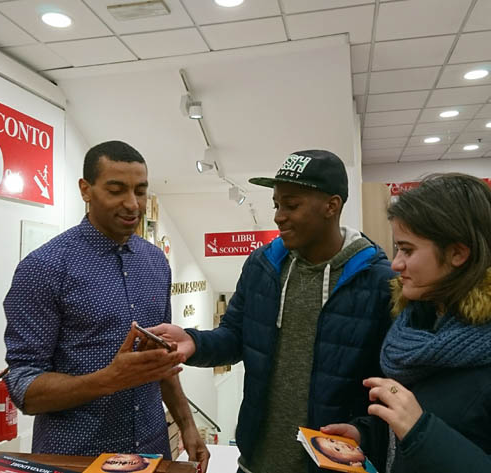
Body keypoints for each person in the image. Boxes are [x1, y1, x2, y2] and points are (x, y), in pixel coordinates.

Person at [319, 173, 491, 473]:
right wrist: (368, 436)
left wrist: (420, 433)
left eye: (407, 250)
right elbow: (449, 417)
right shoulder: (424, 326)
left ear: (457, 253)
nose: (396, 264)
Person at [150, 150, 395, 473]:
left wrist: (365, 432)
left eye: (292, 205)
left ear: (331, 206)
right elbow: (236, 335)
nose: (279, 216)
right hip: (255, 462)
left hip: (332, 464)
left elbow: (390, 383)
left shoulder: (377, 281)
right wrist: (195, 343)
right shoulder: (263, 265)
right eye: (277, 205)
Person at [3, 141, 209, 470]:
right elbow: (24, 387)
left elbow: (161, 359)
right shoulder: (43, 268)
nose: (132, 204)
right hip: (75, 456)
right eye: (116, 190)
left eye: (140, 191)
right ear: (86, 190)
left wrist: (186, 424)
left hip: (152, 452)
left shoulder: (156, 262)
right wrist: (108, 379)